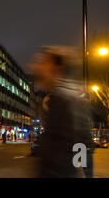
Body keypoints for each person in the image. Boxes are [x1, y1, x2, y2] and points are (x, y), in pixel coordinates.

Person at [28, 46, 91, 178]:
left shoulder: (66, 101)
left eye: (43, 63)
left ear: (57, 69)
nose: (35, 67)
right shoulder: (64, 97)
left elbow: (76, 146)